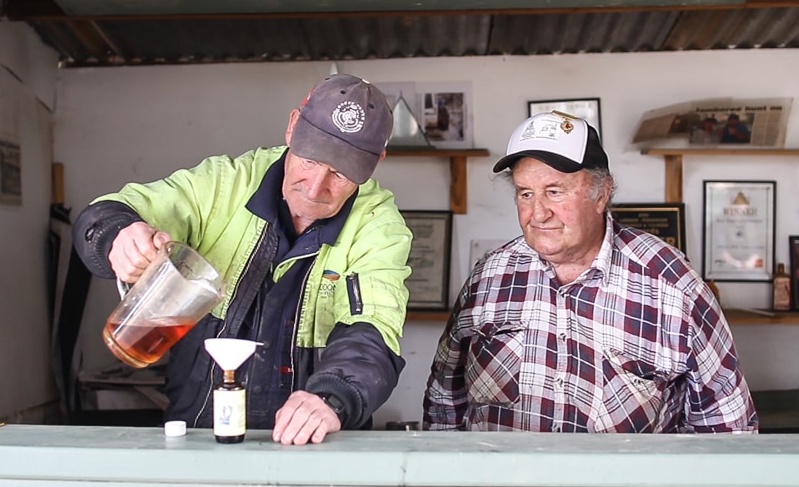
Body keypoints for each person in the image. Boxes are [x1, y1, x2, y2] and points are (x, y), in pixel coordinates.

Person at [73, 74, 413, 445]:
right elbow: (114, 211)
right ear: (293, 126)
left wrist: (332, 397)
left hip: (314, 445)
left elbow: (372, 331)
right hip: (199, 438)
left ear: (377, 162)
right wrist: (119, 234)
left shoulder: (379, 225)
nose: (316, 187)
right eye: (310, 159)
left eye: (341, 172)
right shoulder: (224, 183)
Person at [422, 111, 757, 433]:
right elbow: (444, 401)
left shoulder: (671, 284)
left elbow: (725, 425)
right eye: (526, 193)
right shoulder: (489, 277)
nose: (538, 213)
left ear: (602, 194)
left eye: (555, 191)